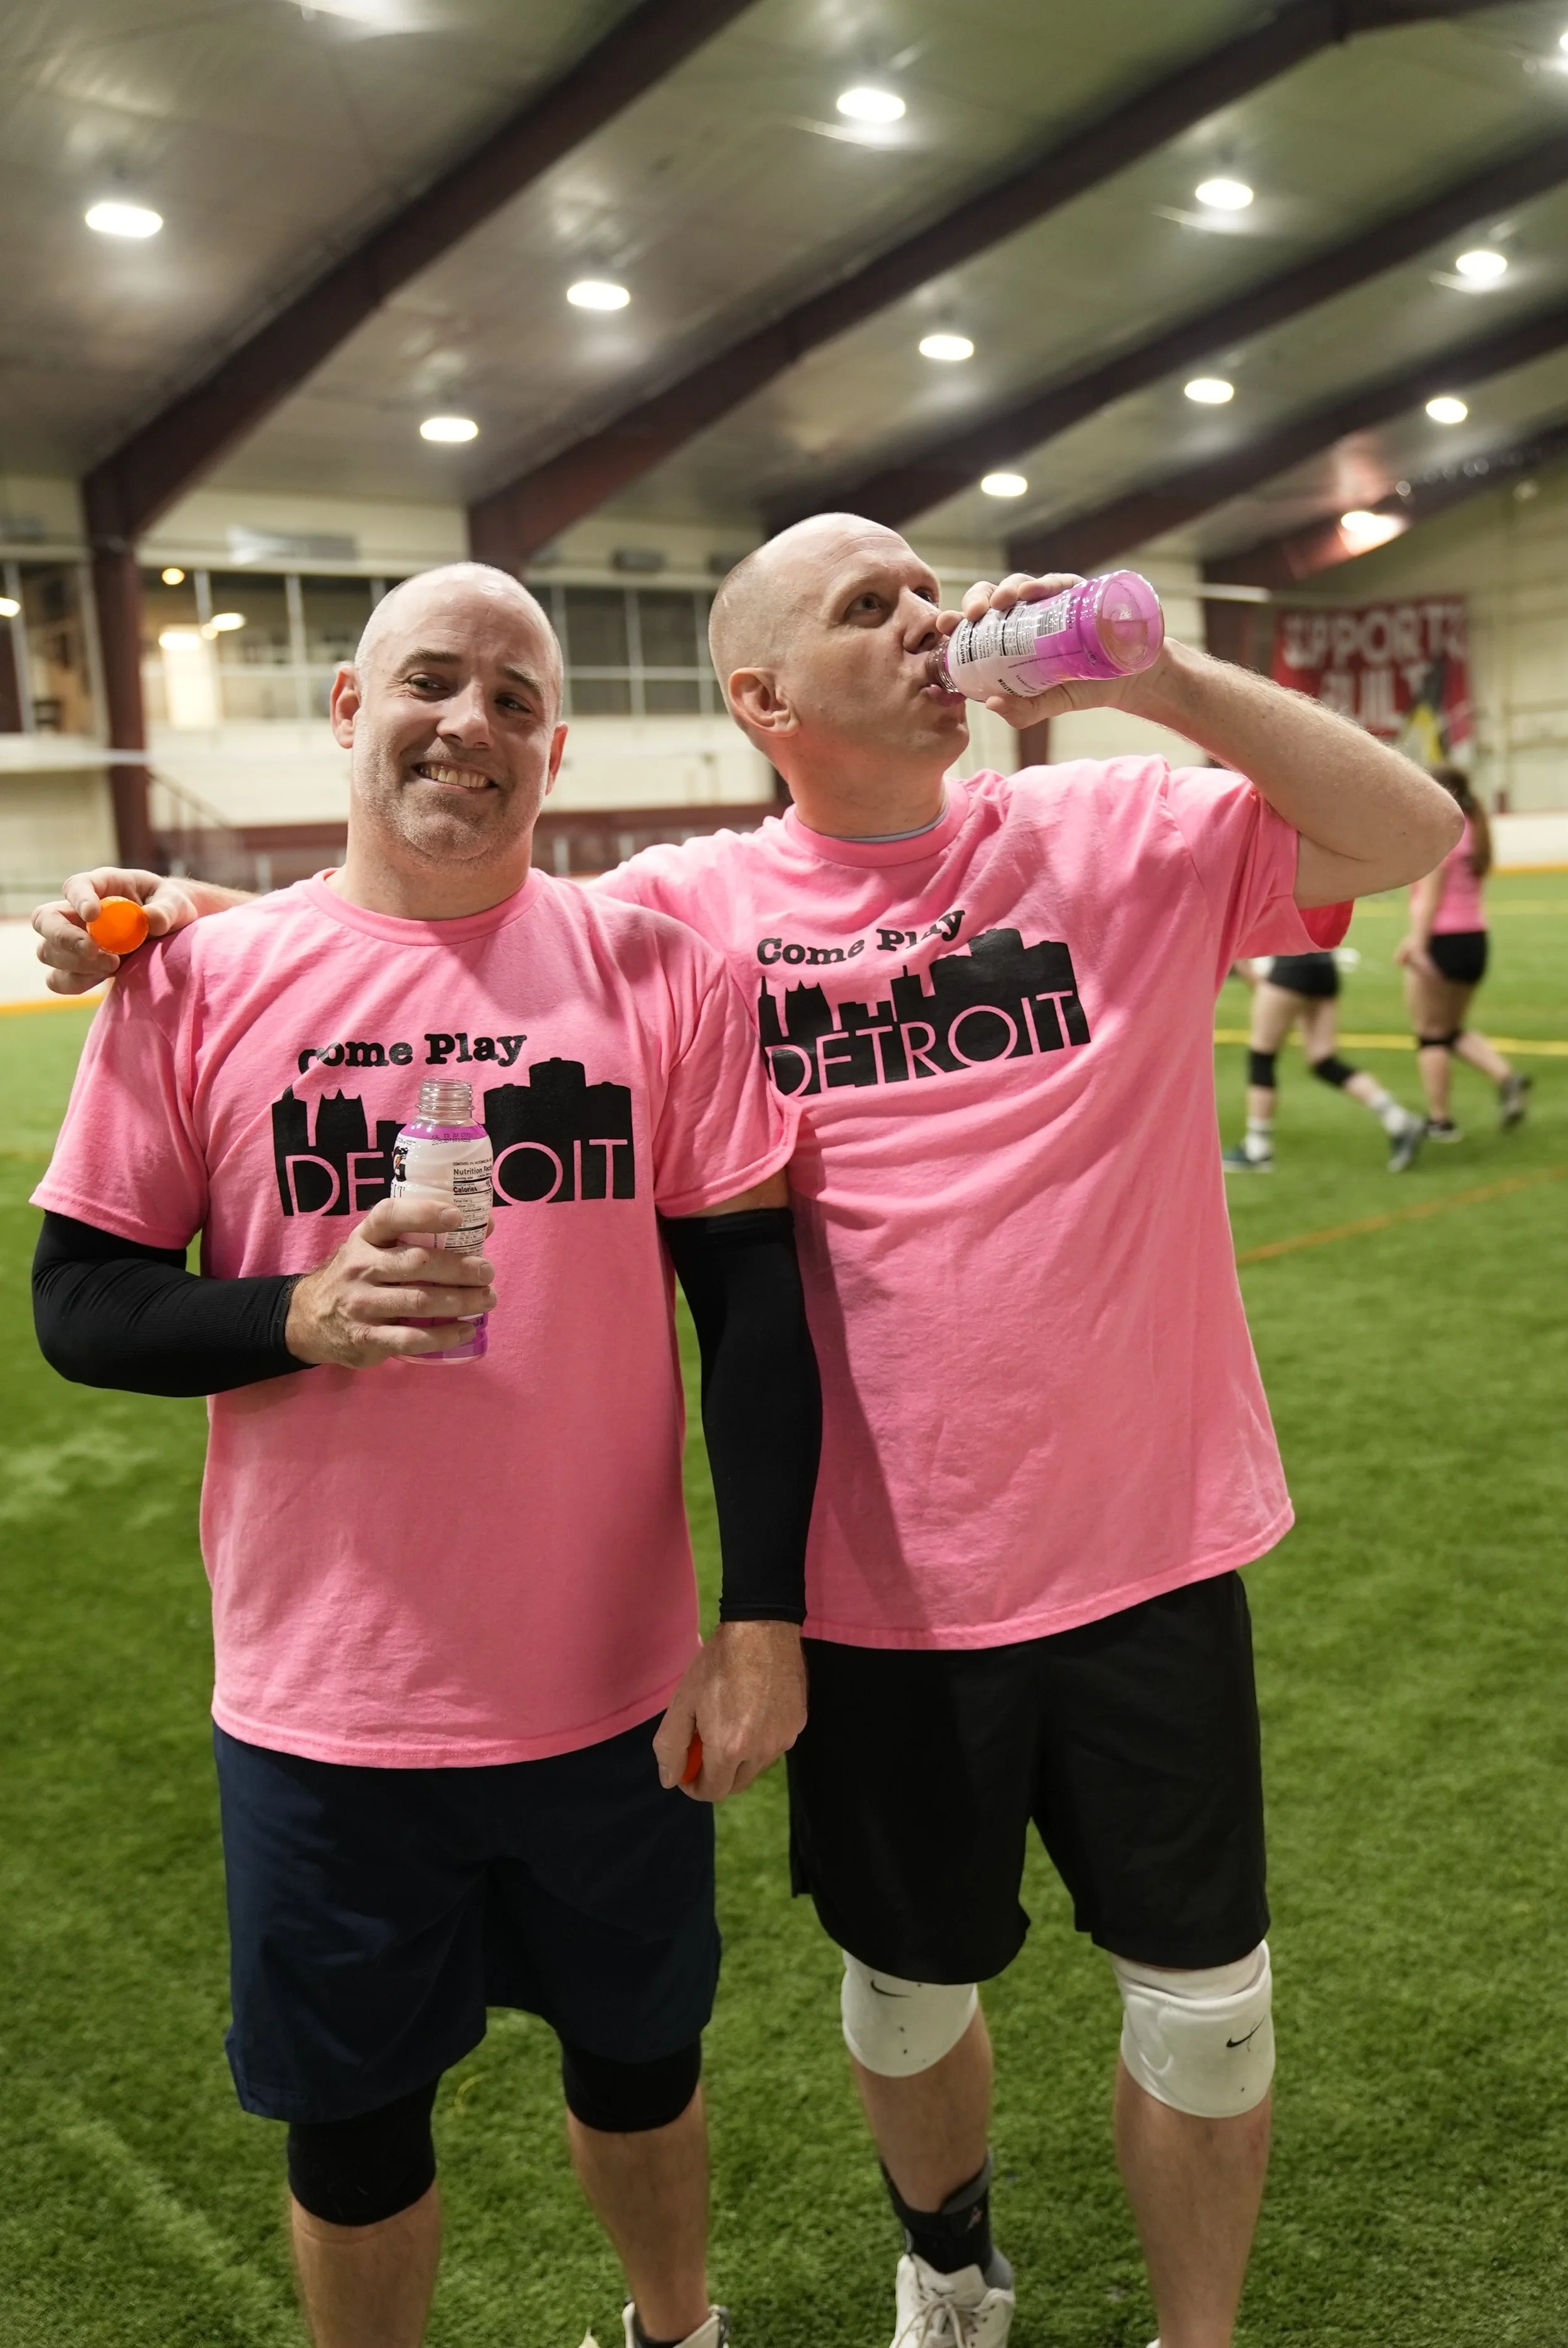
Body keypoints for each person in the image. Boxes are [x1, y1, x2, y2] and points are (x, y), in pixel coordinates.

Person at [35, 521, 1461, 2348]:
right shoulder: (691, 908)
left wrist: (1152, 678)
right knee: (896, 1976)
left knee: (1198, 2006)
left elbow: (1404, 833)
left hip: (1142, 1544)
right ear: (758, 697)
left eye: (926, 584)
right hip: (871, 1580)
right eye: (865, 603)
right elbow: (457, 924)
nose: (925, 615)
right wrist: (213, 928)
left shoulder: (1116, 824)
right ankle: (946, 2262)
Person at [28, 565, 823, 2348]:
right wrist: (289, 1316)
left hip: (613, 1686)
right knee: (356, 2119)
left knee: (641, 2060)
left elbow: (755, 1310)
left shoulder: (651, 970)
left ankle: (673, 2327)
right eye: (432, 682)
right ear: (346, 709)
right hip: (328, 1702)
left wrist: (762, 1611)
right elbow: (79, 1303)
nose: (470, 723)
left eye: (516, 700)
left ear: (552, 754)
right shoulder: (197, 979)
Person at [1395, 763, 1530, 1140]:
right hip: (1474, 940)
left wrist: (1416, 944)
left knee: (1430, 1035)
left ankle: (1441, 1121)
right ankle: (1506, 1078)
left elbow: (1430, 898)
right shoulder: (1475, 830)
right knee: (1451, 1030)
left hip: (1441, 940)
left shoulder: (1443, 835)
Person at [1221, 948, 1426, 1172]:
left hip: (1289, 969)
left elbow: (1244, 958)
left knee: (1262, 1056)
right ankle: (1397, 1118)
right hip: (1324, 966)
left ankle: (1257, 1147)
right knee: (1323, 1060)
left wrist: (1265, 991)